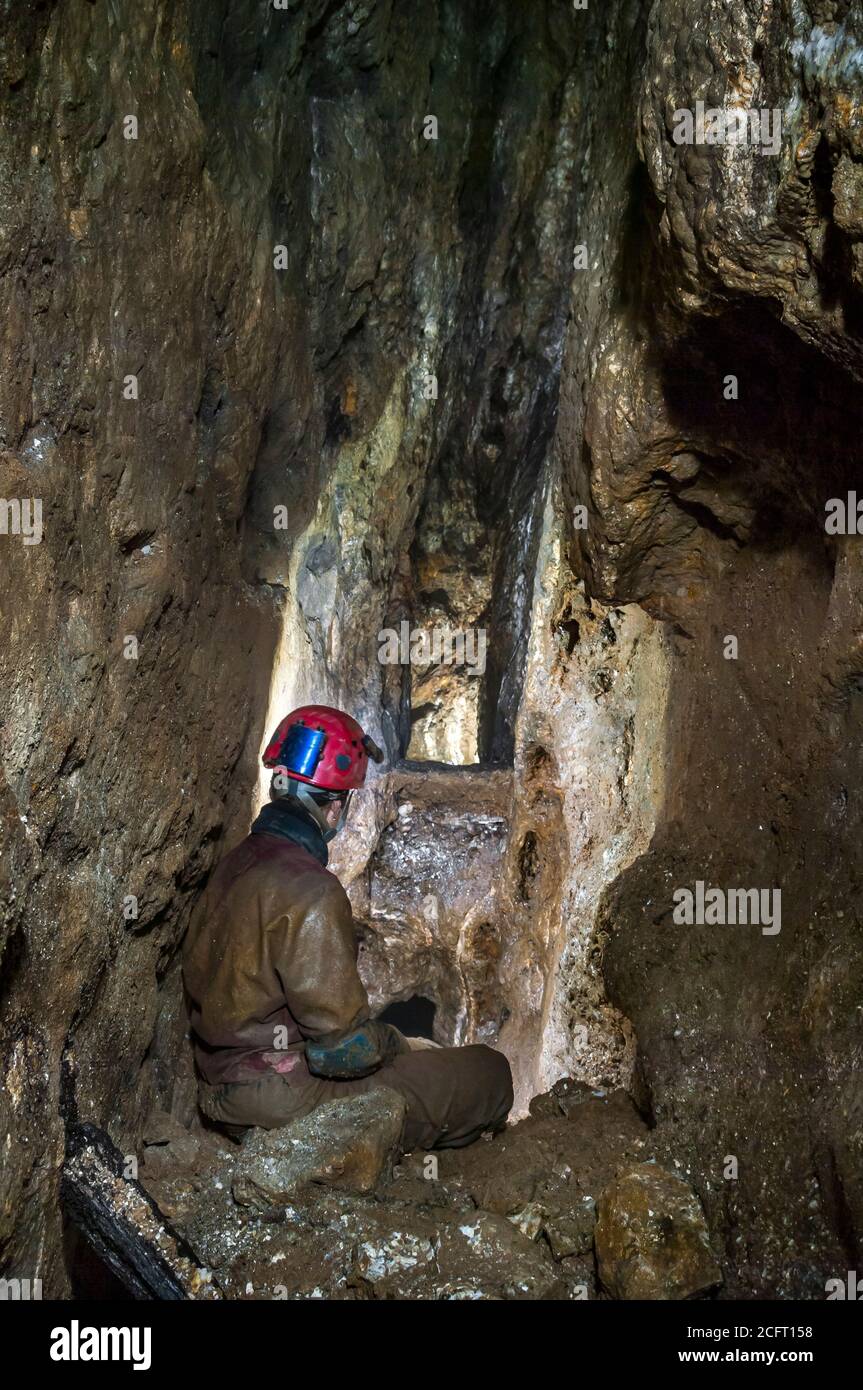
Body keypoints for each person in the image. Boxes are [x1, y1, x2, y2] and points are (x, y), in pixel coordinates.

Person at [182, 704, 513, 1150]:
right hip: (283, 1098)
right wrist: (395, 1043)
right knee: (489, 1073)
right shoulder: (312, 890)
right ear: (335, 807)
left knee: (418, 1051)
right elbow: (341, 1052)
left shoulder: (232, 864)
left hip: (220, 1085)